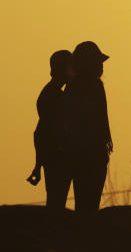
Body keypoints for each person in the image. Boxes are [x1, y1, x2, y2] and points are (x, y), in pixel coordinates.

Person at [64, 41, 113, 212]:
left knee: (86, 201)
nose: (101, 66)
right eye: (98, 62)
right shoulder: (85, 86)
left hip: (86, 151)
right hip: (87, 152)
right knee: (89, 201)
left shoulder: (74, 86)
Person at [27, 50, 73, 211]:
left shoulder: (52, 93)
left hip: (54, 157)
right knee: (56, 204)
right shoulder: (53, 96)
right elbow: (41, 132)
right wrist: (38, 165)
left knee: (55, 202)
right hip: (57, 157)